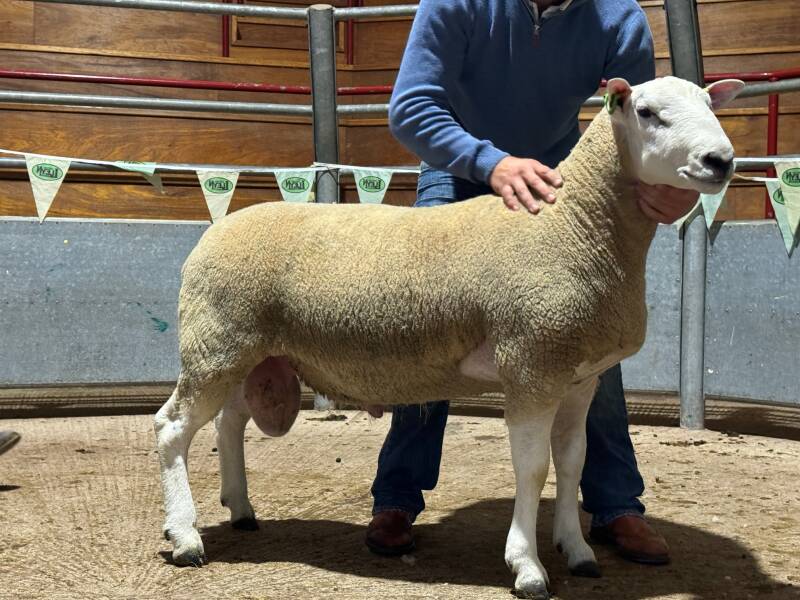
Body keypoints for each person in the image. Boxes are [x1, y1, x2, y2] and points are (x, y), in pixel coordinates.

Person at [365, 0, 699, 566]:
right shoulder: (455, 4)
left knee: (583, 331)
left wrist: (678, 188)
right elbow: (412, 108)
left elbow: (652, 116)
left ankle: (617, 505)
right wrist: (488, 162)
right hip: (459, 168)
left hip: (555, 177)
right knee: (425, 323)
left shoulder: (618, 18)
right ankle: (397, 495)